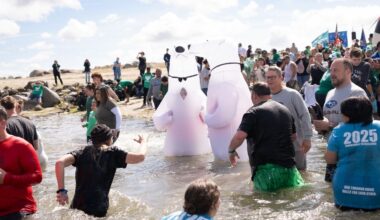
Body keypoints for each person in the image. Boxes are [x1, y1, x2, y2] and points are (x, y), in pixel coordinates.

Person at [55, 124, 146, 217]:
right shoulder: (113, 153)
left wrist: (61, 191)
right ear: (108, 139)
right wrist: (143, 142)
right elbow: (141, 157)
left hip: (77, 208)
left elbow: (59, 162)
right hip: (98, 210)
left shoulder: (81, 152)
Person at [228, 82, 304, 191]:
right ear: (269, 94)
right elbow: (293, 136)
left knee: (266, 202)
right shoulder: (285, 109)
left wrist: (231, 150)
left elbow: (240, 136)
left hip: (266, 172)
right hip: (289, 169)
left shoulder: (253, 112)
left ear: (254, 95)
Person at [325, 97, 380, 211]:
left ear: (348, 116)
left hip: (344, 190)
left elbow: (330, 160)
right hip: (376, 189)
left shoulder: (338, 130)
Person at [266, 66, 313, 170]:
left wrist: (308, 138)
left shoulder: (292, 94)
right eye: (268, 77)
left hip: (296, 145)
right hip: (275, 146)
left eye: (273, 77)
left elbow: (304, 115)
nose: (270, 80)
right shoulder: (265, 97)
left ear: (281, 77)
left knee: (301, 173)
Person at [0, 106, 42, 219]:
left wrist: (7, 178)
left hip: (19, 211)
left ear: (3, 123)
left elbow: (37, 177)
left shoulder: (21, 145)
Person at [313, 58, 367, 133]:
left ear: (347, 71)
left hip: (348, 143)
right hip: (331, 143)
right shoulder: (330, 93)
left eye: (335, 70)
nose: (331, 74)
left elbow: (363, 125)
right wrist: (322, 125)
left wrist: (329, 126)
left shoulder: (357, 93)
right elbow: (329, 118)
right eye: (330, 70)